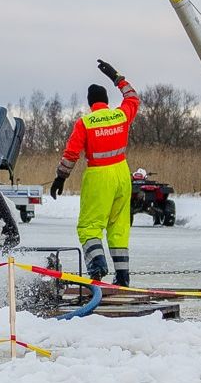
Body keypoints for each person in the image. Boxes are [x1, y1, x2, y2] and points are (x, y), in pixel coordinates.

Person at [49, 59, 139, 285]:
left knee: (89, 226)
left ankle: (97, 268)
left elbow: (71, 154)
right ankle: (123, 277)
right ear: (106, 101)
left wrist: (61, 177)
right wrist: (117, 77)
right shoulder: (121, 115)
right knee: (118, 228)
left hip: (99, 176)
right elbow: (133, 98)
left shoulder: (86, 122)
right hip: (122, 173)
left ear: (90, 104)